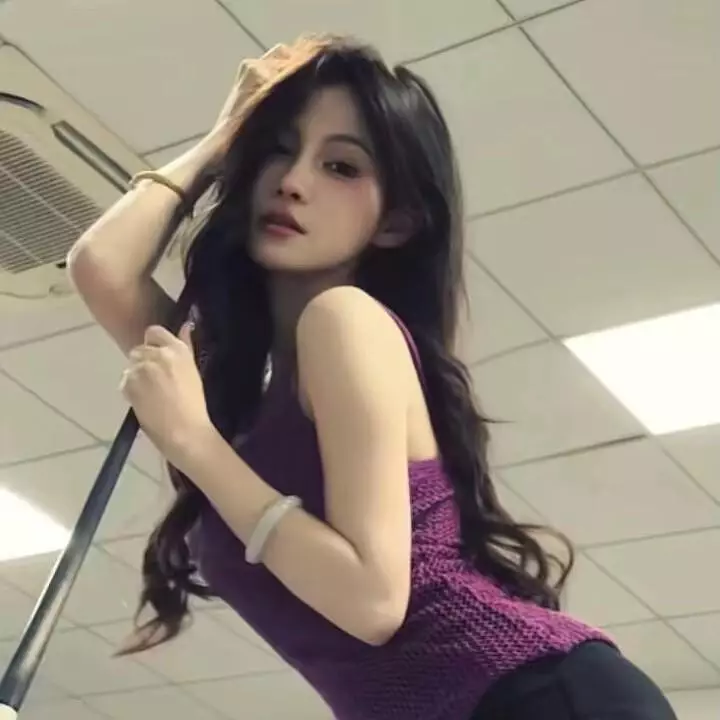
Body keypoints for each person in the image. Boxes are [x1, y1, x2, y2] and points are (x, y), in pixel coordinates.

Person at [68, 35, 677, 720]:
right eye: (278, 150)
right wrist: (226, 134)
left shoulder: (344, 320)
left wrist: (195, 445)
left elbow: (374, 602)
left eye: (340, 166)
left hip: (529, 697)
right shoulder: (238, 397)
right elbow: (100, 267)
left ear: (395, 223)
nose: (292, 180)